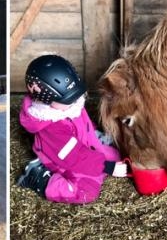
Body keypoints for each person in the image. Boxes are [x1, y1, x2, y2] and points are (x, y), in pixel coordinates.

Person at [17, 55, 127, 204]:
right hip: (64, 159)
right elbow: (74, 156)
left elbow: (83, 122)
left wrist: (95, 134)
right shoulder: (52, 127)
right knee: (86, 191)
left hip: (83, 145)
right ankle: (38, 177)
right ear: (46, 99)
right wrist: (106, 167)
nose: (75, 100)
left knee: (117, 155)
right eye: (68, 99)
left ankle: (98, 149)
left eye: (75, 94)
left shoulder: (69, 105)